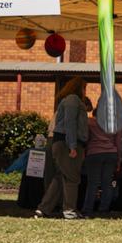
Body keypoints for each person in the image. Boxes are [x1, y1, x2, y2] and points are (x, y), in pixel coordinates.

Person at [35, 77, 88, 219]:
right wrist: (72, 145)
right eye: (84, 88)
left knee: (60, 177)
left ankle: (44, 209)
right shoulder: (73, 100)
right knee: (72, 178)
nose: (85, 91)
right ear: (79, 88)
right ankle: (69, 211)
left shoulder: (67, 100)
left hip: (61, 142)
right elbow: (70, 123)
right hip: (67, 143)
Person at [81, 102, 122, 216]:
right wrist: (119, 159)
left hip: (94, 153)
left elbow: (85, 138)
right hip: (111, 154)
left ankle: (87, 209)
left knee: (93, 183)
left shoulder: (89, 122)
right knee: (107, 182)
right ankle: (104, 209)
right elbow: (118, 143)